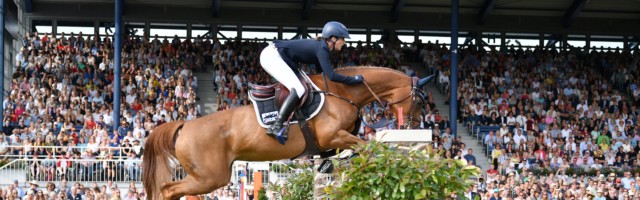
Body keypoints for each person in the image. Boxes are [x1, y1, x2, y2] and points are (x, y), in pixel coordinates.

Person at [259, 21, 364, 144]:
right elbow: (331, 76)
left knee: (303, 84)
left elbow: (322, 74)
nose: (344, 43)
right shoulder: (322, 48)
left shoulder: (322, 47)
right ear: (333, 38)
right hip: (272, 56)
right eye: (343, 39)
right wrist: (354, 79)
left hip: (281, 57)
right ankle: (276, 125)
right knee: (299, 89)